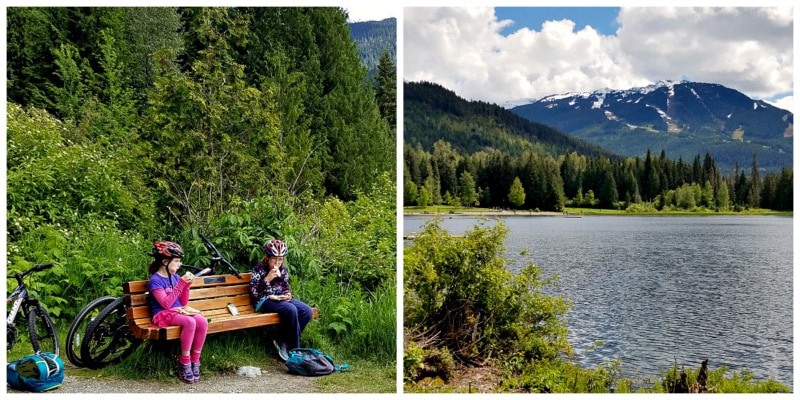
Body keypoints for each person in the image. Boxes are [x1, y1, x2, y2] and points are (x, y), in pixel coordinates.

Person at [147, 241, 208, 384]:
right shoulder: (155, 280)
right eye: (176, 261)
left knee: (202, 321)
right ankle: (184, 361)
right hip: (162, 314)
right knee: (190, 322)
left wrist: (186, 286)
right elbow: (166, 304)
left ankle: (195, 359)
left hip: (177, 311)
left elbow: (183, 302)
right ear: (165, 262)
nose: (179, 264)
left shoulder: (174, 277)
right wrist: (181, 284)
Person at [249, 239, 313, 361]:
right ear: (267, 257)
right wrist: (266, 280)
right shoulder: (258, 270)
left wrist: (287, 295)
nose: (277, 263)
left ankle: (282, 340)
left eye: (280, 259)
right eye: (274, 259)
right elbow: (254, 294)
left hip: (280, 299)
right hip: (263, 300)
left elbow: (285, 288)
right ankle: (295, 349)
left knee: (307, 311)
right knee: (291, 309)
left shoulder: (283, 270)